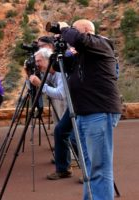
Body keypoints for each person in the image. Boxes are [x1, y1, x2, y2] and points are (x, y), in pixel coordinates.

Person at [58, 19, 121, 200]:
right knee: (89, 166)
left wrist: (64, 29)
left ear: (86, 31)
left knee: (99, 167)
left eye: (74, 30)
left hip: (98, 112)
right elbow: (57, 66)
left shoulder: (101, 43)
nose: (70, 36)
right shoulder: (82, 54)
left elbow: (78, 39)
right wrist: (60, 49)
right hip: (84, 113)